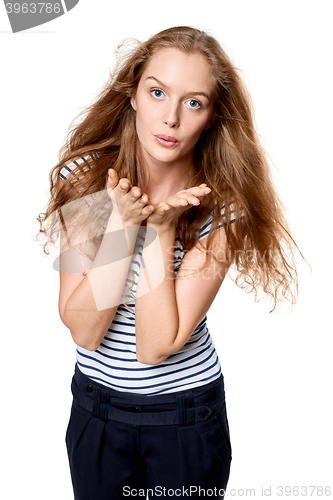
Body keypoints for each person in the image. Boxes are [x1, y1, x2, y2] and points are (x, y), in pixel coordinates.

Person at [35, 26, 303, 500]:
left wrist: (158, 232)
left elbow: (155, 347)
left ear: (212, 115)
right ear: (134, 93)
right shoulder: (89, 180)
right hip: (96, 413)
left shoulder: (222, 207)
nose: (171, 118)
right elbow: (83, 329)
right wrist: (121, 223)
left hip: (184, 420)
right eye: (157, 92)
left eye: (193, 102)